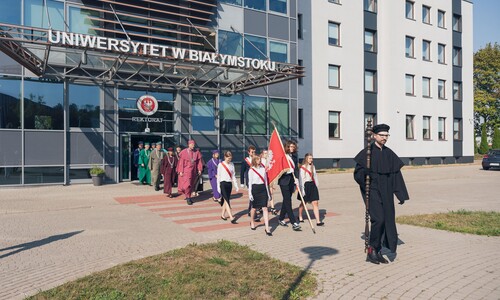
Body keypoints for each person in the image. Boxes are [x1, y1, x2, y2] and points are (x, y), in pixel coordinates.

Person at [354, 123, 410, 265]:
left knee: (387, 220)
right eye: (382, 135)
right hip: (372, 189)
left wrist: (400, 194)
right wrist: (364, 173)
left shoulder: (389, 153)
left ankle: (377, 251)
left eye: (386, 136)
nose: (384, 138)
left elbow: (397, 175)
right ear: (374, 136)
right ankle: (371, 250)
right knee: (378, 219)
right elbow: (357, 174)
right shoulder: (366, 153)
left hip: (386, 191)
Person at [278, 140, 301, 231]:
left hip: (292, 180)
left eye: (293, 147)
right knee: (288, 201)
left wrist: (297, 179)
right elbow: (279, 168)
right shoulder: (283, 156)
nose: (292, 148)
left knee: (286, 200)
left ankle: (281, 218)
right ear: (287, 147)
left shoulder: (295, 156)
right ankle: (293, 222)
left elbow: (296, 168)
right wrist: (287, 171)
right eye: (290, 147)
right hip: (284, 180)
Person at [248, 155, 272, 236]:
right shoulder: (251, 170)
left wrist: (268, 193)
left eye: (259, 159)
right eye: (257, 159)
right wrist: (250, 193)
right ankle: (252, 221)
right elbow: (250, 183)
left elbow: (265, 182)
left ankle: (267, 227)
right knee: (254, 208)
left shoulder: (263, 169)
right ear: (254, 160)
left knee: (265, 208)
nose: (259, 160)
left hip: (263, 189)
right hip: (255, 189)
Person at [297, 153, 323, 226]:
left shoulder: (313, 167)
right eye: (310, 158)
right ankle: (300, 216)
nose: (311, 160)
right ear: (306, 159)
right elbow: (301, 179)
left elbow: (315, 176)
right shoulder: (302, 167)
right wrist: (302, 190)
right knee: (303, 203)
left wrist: (316, 185)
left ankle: (318, 221)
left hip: (312, 185)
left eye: (312, 158)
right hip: (305, 186)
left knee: (315, 203)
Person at [176, 140, 203, 205]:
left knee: (191, 185)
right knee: (187, 184)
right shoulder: (184, 152)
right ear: (188, 145)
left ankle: (188, 196)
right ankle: (188, 198)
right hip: (186, 171)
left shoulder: (197, 152)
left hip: (193, 171)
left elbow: (199, 162)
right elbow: (181, 163)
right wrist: (180, 171)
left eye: (193, 144)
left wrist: (199, 169)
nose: (193, 145)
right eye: (191, 144)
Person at [217, 151, 239, 224]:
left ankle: (223, 215)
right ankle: (231, 217)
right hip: (223, 183)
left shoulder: (232, 165)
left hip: (229, 184)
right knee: (227, 200)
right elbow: (218, 176)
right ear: (225, 157)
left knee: (226, 199)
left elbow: (233, 176)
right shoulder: (221, 165)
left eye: (230, 158)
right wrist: (218, 187)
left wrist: (236, 185)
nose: (229, 160)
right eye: (228, 158)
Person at [261, 150, 278, 215]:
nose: (266, 155)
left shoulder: (269, 161)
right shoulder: (261, 161)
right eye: (265, 153)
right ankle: (262, 206)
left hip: (269, 178)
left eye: (267, 153)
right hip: (263, 179)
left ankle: (272, 207)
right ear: (262, 154)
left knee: (271, 193)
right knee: (263, 194)